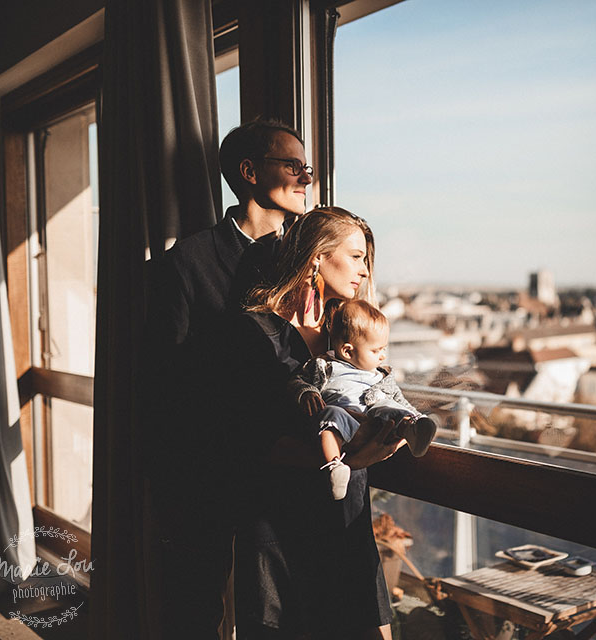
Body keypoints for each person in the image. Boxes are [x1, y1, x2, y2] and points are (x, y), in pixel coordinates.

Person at [145, 117, 312, 639]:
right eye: (293, 166)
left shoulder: (308, 262)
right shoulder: (185, 265)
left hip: (286, 467)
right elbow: (164, 382)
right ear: (248, 172)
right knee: (194, 611)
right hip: (205, 471)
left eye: (308, 168)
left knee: (279, 613)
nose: (307, 178)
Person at [221, 207, 400, 639]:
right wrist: (349, 460)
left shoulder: (352, 338)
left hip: (347, 526)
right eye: (356, 256)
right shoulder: (256, 333)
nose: (364, 270)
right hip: (279, 533)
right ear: (318, 256)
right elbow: (251, 440)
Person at [291, 299, 437, 500]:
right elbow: (297, 381)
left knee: (388, 406)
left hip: (374, 418)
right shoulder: (323, 366)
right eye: (376, 350)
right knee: (331, 416)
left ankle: (412, 430)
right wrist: (308, 392)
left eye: (383, 349)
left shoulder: (381, 375)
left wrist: (416, 415)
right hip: (343, 420)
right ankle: (334, 466)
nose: (382, 356)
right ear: (348, 351)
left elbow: (399, 400)